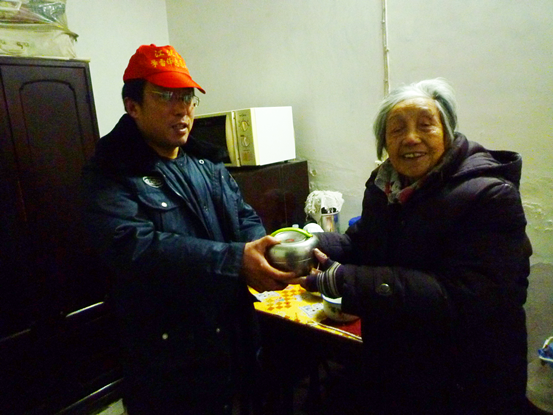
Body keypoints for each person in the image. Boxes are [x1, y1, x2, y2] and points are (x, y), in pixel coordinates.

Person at [292, 79, 532, 414]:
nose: (410, 138)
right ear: (384, 142)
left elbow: (462, 295)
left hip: (467, 378)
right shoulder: (385, 186)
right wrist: (309, 244)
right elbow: (363, 241)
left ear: (447, 133)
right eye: (397, 129)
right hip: (399, 367)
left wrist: (344, 280)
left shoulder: (489, 196)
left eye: (425, 125)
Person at [81, 44, 294, 415]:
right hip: (168, 357)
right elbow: (134, 247)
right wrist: (236, 260)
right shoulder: (110, 171)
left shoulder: (206, 163)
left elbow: (243, 216)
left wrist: (263, 252)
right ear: (133, 106)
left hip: (231, 339)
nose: (181, 109)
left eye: (187, 97)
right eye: (165, 96)